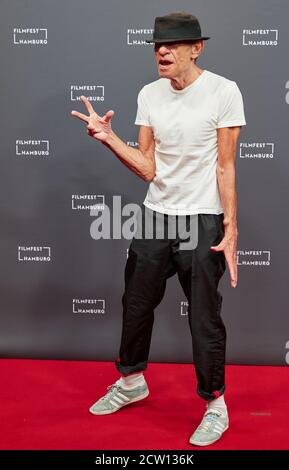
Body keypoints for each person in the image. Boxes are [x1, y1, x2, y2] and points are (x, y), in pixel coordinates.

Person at [71, 11, 246, 446]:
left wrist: (231, 229)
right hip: (155, 214)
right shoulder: (149, 93)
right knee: (135, 303)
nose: (162, 51)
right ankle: (131, 382)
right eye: (157, 45)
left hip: (202, 218)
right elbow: (148, 168)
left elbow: (225, 166)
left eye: (172, 44)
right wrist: (110, 138)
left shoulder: (224, 91)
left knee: (204, 316)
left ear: (196, 48)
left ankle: (214, 404)